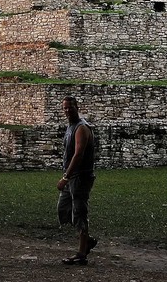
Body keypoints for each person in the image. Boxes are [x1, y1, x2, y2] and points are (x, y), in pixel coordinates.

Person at [57, 96, 97, 265]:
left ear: (76, 107)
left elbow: (78, 154)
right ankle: (86, 240)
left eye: (70, 107)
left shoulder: (81, 128)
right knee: (63, 209)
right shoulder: (70, 127)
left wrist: (66, 177)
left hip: (79, 177)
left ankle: (82, 253)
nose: (67, 111)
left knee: (80, 211)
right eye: (65, 108)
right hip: (72, 176)